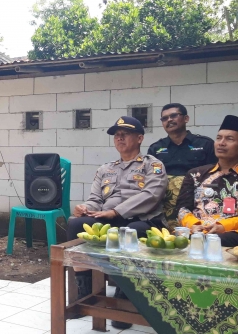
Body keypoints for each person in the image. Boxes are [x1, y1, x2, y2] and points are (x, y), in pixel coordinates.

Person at [68, 116, 168, 330]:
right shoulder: (105, 169)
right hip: (108, 218)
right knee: (76, 223)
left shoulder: (153, 165)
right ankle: (85, 291)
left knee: (130, 232)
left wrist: (116, 212)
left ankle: (125, 298)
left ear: (140, 138)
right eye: (116, 134)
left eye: (125, 133)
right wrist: (85, 208)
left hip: (143, 221)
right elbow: (96, 199)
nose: (119, 137)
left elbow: (151, 195)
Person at [175, 115, 238, 247]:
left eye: (229, 139)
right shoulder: (195, 174)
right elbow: (181, 209)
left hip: (236, 233)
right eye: (219, 138)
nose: (221, 143)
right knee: (175, 241)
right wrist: (195, 225)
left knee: (211, 241)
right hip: (198, 230)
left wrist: (223, 226)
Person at [147, 103, 216, 176]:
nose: (169, 120)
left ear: (186, 118)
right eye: (164, 118)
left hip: (197, 186)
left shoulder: (205, 144)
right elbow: (153, 177)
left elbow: (215, 174)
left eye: (174, 116)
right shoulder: (156, 148)